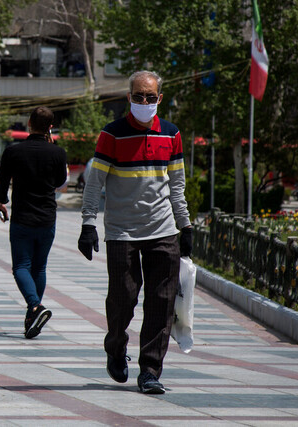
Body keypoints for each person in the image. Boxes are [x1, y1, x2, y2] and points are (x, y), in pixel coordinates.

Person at [77, 70, 192, 395]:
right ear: (129, 97)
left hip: (163, 230)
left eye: (150, 97)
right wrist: (88, 224)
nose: (144, 102)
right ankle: (115, 346)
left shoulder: (171, 134)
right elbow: (95, 182)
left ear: (159, 98)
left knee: (161, 303)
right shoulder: (111, 134)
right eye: (138, 96)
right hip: (122, 231)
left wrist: (185, 225)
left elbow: (177, 186)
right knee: (122, 299)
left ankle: (150, 371)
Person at [0, 106, 67, 339]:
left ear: (29, 124)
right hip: (47, 218)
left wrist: (0, 202)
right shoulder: (58, 153)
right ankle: (32, 316)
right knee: (39, 267)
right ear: (50, 127)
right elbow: (60, 181)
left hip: (23, 217)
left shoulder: (13, 152)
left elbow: (2, 183)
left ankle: (35, 306)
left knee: (21, 266)